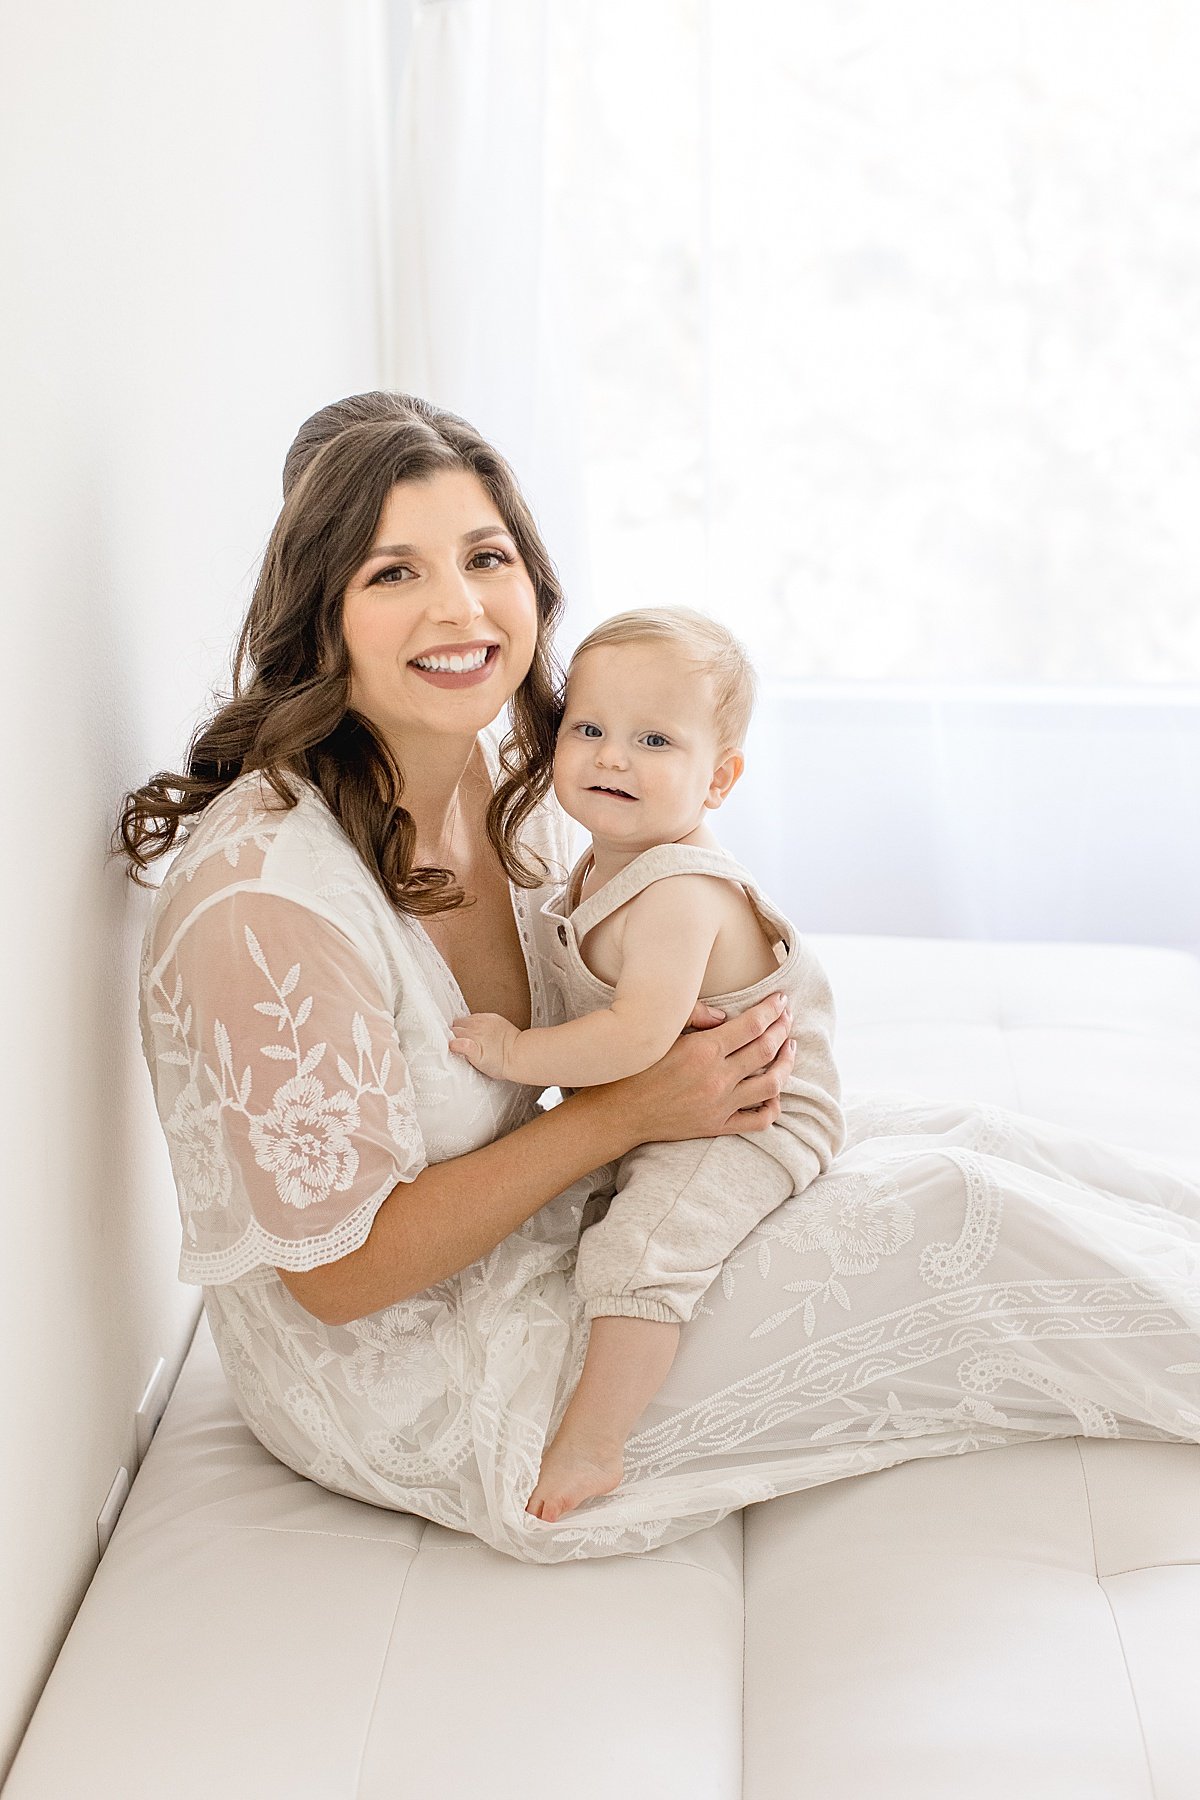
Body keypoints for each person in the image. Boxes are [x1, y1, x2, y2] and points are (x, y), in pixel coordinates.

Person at [118, 390, 1200, 1565]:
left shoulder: (480, 771)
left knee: (970, 1135)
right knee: (958, 1212)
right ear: (320, 613)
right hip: (418, 1375)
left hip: (554, 1218)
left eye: (487, 556)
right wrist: (633, 1107)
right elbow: (339, 1277)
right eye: (393, 574)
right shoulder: (269, 900)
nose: (461, 606)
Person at [449, 607, 845, 1521]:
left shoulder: (679, 892)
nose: (611, 757)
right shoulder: (598, 862)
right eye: (589, 729)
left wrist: (516, 1053)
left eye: (654, 740)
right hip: (674, 1094)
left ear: (720, 780)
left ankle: (596, 1442)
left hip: (757, 1110)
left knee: (638, 1250)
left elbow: (631, 1038)